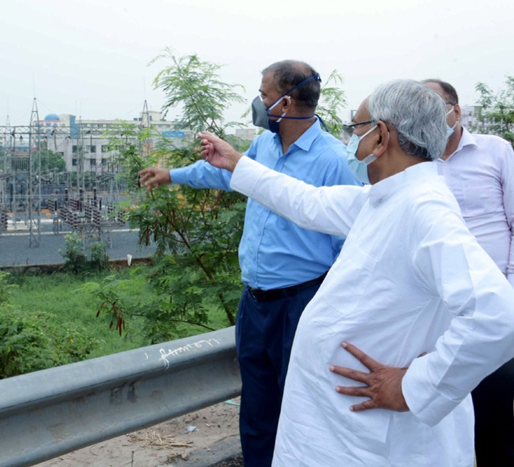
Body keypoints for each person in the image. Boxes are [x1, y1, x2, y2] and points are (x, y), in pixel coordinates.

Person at [198, 79, 514, 466]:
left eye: (355, 129)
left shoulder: (425, 210)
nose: (350, 142)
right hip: (340, 429)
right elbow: (306, 201)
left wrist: (415, 386)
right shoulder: (384, 198)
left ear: (381, 136)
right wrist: (236, 162)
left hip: (373, 438)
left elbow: (498, 315)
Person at [139, 60, 358, 466]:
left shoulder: (335, 160)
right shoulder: (263, 147)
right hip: (254, 302)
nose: (258, 104)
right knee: (257, 410)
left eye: (263, 95)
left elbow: (351, 245)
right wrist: (172, 175)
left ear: (286, 103)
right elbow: (225, 174)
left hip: (302, 303)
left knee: (301, 410)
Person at [423, 78, 514, 465]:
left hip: (492, 305)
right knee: (441, 417)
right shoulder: (415, 163)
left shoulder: (496, 151)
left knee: (494, 413)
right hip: (438, 310)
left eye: (433, 108)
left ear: (456, 111)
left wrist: (509, 292)